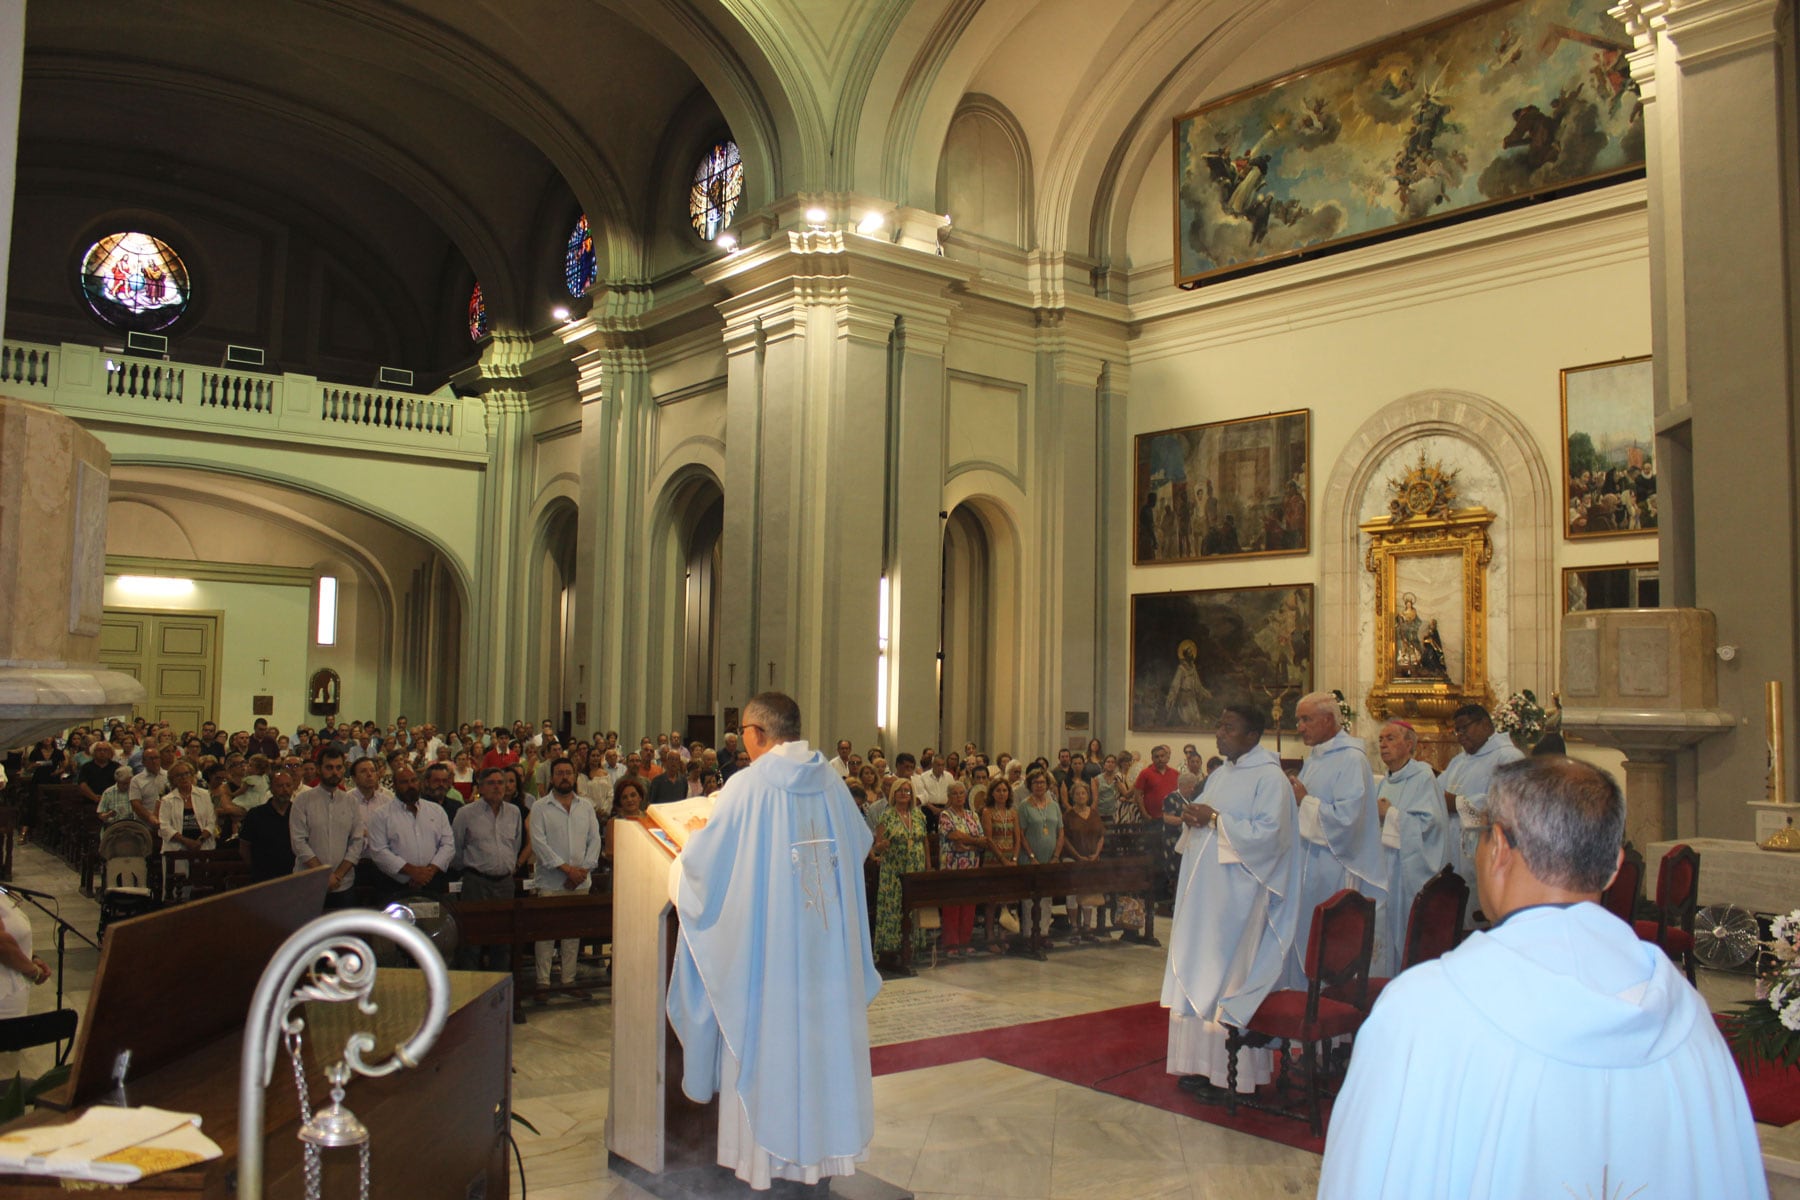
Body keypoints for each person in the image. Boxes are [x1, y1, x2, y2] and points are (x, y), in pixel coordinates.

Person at [1318, 758, 1767, 1200]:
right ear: (1614, 865)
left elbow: (1367, 1178)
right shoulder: (1687, 1015)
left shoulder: (1424, 1011)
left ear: (1497, 850)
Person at [666, 691, 880, 1191]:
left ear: (758, 734)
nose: (742, 741)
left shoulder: (746, 787)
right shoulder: (832, 782)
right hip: (825, 963)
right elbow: (858, 845)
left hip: (774, 970)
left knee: (773, 1057)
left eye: (743, 731)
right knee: (822, 1061)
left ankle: (767, 1171)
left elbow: (705, 877)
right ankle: (821, 1167)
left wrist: (689, 848)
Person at [1162, 703, 1302, 1098]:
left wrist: (1215, 820)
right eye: (1219, 725)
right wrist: (1196, 817)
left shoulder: (1270, 779)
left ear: (1252, 735)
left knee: (1229, 980)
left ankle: (1232, 1076)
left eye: (1228, 727)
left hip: (1240, 902)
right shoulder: (1221, 774)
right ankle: (1200, 1067)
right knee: (1201, 973)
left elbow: (1271, 837)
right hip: (1207, 901)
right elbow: (1209, 819)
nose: (1219, 733)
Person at [1282, 691, 1386, 988]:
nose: (1300, 727)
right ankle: (1301, 1003)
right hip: (1309, 863)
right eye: (1298, 720)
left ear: (1329, 720)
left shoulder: (1352, 759)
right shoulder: (1317, 757)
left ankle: (1326, 1011)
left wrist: (1304, 801)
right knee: (1305, 935)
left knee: (1327, 947)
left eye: (1306, 719)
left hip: (1335, 866)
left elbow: (1348, 820)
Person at [1372, 720, 1450, 974]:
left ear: (1409, 744)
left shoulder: (1424, 777)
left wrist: (1391, 815)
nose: (1383, 744)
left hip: (1408, 873)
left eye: (1391, 738)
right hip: (1385, 869)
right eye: (1381, 739)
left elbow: (1431, 825)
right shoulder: (1385, 781)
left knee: (1405, 934)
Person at [1442, 703, 1525, 919]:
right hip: (1455, 852)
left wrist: (1458, 803)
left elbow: (1510, 809)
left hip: (1486, 852)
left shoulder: (1508, 757)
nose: (1460, 736)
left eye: (1464, 728)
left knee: (1480, 916)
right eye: (1457, 730)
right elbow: (1438, 791)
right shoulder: (1459, 761)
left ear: (1485, 724)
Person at [530, 759, 602, 995]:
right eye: (559, 773)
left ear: (575, 776)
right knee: (546, 934)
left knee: (573, 933)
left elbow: (595, 840)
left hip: (580, 881)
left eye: (568, 773)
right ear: (551, 778)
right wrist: (566, 869)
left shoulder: (586, 806)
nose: (564, 777)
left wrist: (583, 870)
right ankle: (543, 982)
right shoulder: (540, 807)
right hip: (551, 880)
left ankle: (568, 980)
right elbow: (539, 844)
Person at [453, 767, 526, 970]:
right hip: (476, 882)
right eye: (491, 783)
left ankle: (499, 993)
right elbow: (456, 848)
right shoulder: (466, 813)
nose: (497, 787)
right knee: (472, 941)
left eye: (501, 783)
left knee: (502, 941)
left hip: (504, 883)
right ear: (481, 787)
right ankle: (471, 992)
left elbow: (516, 844)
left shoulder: (514, 812)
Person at [366, 765, 454, 901]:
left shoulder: (436, 811)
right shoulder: (381, 815)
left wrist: (428, 872)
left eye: (414, 780)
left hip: (432, 883)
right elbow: (379, 851)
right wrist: (411, 872)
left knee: (434, 922)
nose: (411, 785)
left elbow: (448, 845)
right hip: (395, 885)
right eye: (404, 782)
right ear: (394, 785)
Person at [290, 749, 363, 909]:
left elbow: (357, 842)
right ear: (318, 769)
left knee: (342, 932)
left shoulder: (351, 802)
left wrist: (337, 875)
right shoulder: (303, 800)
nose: (334, 772)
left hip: (343, 884)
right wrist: (324, 875)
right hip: (308, 883)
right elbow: (299, 842)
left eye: (338, 767)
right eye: (329, 767)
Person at [872, 778, 929, 964]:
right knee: (894, 908)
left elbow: (925, 841)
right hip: (894, 871)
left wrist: (928, 866)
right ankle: (891, 948)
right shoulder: (886, 816)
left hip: (915, 868)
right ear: (893, 794)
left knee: (912, 909)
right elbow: (877, 846)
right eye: (900, 791)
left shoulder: (919, 816)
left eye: (907, 791)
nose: (904, 794)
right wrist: (883, 845)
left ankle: (912, 946)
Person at [0, 887, 52, 1079]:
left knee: (9, 1075)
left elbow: (13, 933)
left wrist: (32, 956)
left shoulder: (3, 890)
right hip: (2, 1001)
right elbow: (2, 944)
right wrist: (34, 972)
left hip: (12, 999)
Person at [936, 781, 985, 958]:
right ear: (949, 797)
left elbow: (981, 838)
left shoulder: (973, 815)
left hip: (971, 864)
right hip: (952, 865)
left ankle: (965, 941)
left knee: (969, 905)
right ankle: (951, 944)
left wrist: (967, 843)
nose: (958, 797)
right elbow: (952, 835)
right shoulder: (945, 815)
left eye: (961, 793)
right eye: (954, 794)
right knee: (952, 905)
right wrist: (972, 840)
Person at [239, 767, 299, 883]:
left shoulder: (299, 813)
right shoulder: (256, 815)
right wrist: (256, 869)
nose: (285, 790)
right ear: (271, 789)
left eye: (288, 785)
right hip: (264, 878)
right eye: (280, 786)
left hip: (294, 876)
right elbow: (244, 847)